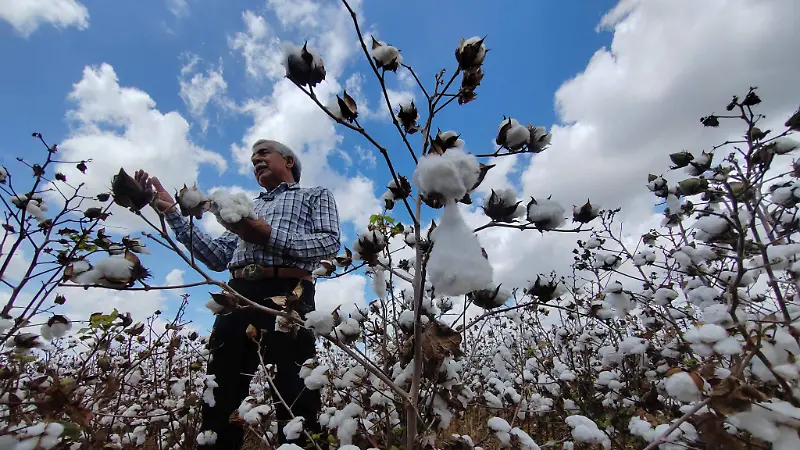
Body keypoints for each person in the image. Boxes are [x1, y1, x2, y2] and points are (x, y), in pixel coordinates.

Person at [134, 139, 341, 449]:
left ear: (288, 161)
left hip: (289, 293)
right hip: (238, 294)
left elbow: (328, 241)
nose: (255, 159)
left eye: (263, 153)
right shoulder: (249, 208)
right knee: (221, 392)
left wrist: (266, 235)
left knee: (296, 389)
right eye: (252, 156)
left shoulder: (315, 195)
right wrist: (174, 216)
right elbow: (218, 257)